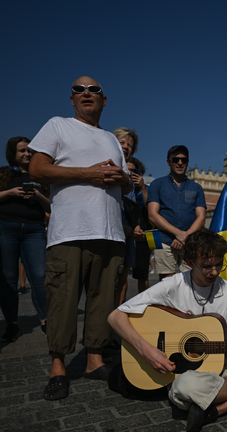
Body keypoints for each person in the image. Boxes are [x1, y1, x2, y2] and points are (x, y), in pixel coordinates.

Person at [108, 229, 227, 432]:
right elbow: (115, 317)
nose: (215, 272)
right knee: (186, 386)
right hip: (187, 374)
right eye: (207, 266)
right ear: (190, 263)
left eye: (219, 264)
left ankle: (218, 409)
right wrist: (147, 351)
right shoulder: (172, 285)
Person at [28, 76, 133, 400]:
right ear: (72, 99)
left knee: (103, 299)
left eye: (93, 90)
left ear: (104, 100)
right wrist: (89, 173)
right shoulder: (57, 126)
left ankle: (94, 360)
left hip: (110, 231)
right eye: (79, 90)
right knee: (63, 299)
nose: (86, 93)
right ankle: (58, 367)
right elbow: (37, 169)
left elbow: (126, 185)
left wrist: (121, 178)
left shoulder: (111, 139)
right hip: (70, 230)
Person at [0, 137, 50, 342]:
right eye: (22, 151)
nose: (27, 154)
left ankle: (46, 321)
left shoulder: (41, 177)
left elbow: (51, 207)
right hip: (6, 228)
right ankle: (12, 324)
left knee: (39, 276)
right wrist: (10, 192)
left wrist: (39, 197)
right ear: (13, 154)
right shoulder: (4, 174)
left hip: (34, 229)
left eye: (30, 151)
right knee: (8, 279)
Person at [147, 145, 206, 280]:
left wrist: (184, 236)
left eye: (183, 160)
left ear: (187, 162)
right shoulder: (157, 184)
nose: (180, 163)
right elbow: (152, 215)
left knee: (191, 283)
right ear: (169, 162)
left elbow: (201, 218)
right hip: (165, 241)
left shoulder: (196, 188)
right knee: (167, 285)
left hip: (190, 242)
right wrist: (177, 233)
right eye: (175, 160)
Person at [113, 127, 143, 305]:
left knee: (123, 281)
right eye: (121, 142)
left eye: (130, 145)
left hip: (128, 235)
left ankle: (116, 321)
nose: (126, 147)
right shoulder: (106, 167)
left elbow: (132, 207)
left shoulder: (129, 176)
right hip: (111, 233)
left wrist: (136, 226)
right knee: (107, 282)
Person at [128, 156, 151, 293]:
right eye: (127, 170)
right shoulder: (118, 188)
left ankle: (143, 306)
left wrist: (142, 187)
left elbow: (150, 209)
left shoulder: (145, 190)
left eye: (134, 170)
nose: (130, 173)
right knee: (121, 275)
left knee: (142, 275)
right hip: (123, 235)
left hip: (141, 237)